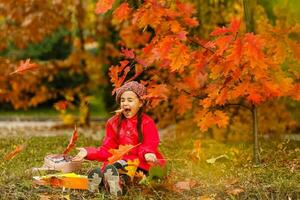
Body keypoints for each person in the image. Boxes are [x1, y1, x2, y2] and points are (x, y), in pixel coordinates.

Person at [72, 81, 166, 196]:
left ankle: (117, 183)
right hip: (118, 163)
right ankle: (101, 181)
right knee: (112, 167)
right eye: (122, 100)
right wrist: (88, 152)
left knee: (126, 170)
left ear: (140, 103)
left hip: (141, 163)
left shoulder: (147, 122)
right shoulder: (113, 123)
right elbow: (108, 149)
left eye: (130, 100)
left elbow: (150, 141)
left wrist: (147, 153)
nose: (125, 103)